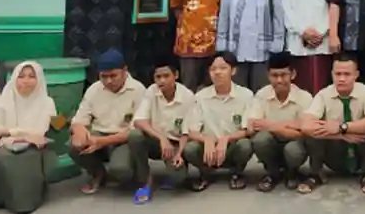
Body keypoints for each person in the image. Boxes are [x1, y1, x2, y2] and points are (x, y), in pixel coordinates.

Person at [298, 53, 365, 195]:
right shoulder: (323, 94)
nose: (341, 79)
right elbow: (306, 125)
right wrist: (340, 135)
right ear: (332, 74)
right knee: (311, 135)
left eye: (347, 74)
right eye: (338, 74)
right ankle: (315, 174)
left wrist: (342, 127)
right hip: (333, 151)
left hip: (359, 148)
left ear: (356, 75)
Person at [68, 48, 146, 195]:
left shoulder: (138, 90)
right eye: (104, 76)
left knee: (122, 171)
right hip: (98, 134)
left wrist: (101, 142)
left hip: (123, 139)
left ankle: (135, 173)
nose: (108, 81)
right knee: (74, 145)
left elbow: (135, 130)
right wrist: (79, 132)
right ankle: (98, 173)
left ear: (125, 71)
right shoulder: (94, 89)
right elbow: (79, 120)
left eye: (113, 76)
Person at [0, 61, 57, 214]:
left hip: (34, 147)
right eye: (21, 76)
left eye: (32, 76)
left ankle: (24, 202)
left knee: (23, 159)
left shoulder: (47, 103)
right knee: (0, 157)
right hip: (6, 144)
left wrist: (9, 132)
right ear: (14, 78)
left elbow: (39, 131)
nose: (26, 81)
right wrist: (19, 135)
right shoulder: (1, 102)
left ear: (39, 80)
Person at [128, 58, 197, 203]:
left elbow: (187, 131)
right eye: (158, 77)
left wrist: (179, 153)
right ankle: (145, 181)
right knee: (135, 135)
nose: (161, 81)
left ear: (176, 75)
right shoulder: (151, 91)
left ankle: (175, 170)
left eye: (166, 76)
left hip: (176, 143)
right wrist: (161, 138)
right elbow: (139, 120)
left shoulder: (187, 96)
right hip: (156, 140)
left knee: (178, 178)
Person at [184, 51, 255, 191]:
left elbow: (248, 129)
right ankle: (205, 173)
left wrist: (226, 139)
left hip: (231, 147)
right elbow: (191, 130)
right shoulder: (200, 96)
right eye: (213, 69)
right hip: (208, 149)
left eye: (223, 68)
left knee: (245, 145)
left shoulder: (246, 95)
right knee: (190, 149)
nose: (217, 72)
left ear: (233, 70)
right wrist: (207, 140)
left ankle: (237, 173)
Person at [219, 0, 286, 91]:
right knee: (237, 93)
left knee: (263, 92)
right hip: (236, 50)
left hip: (263, 50)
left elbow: (279, 19)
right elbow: (223, 18)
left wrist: (277, 46)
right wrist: (222, 46)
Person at [247, 51, 314, 192]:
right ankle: (273, 173)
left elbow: (304, 133)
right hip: (272, 143)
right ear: (268, 76)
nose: (279, 80)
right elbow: (253, 127)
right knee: (260, 140)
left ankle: (292, 173)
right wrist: (288, 127)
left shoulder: (304, 97)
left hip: (294, 144)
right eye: (274, 76)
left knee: (293, 150)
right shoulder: (261, 95)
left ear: (293, 75)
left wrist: (272, 126)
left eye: (283, 75)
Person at [282, 0, 334, 93]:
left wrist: (321, 32)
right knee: (300, 89)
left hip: (323, 43)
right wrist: (303, 32)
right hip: (298, 43)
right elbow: (287, 10)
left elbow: (334, 9)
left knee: (322, 88)